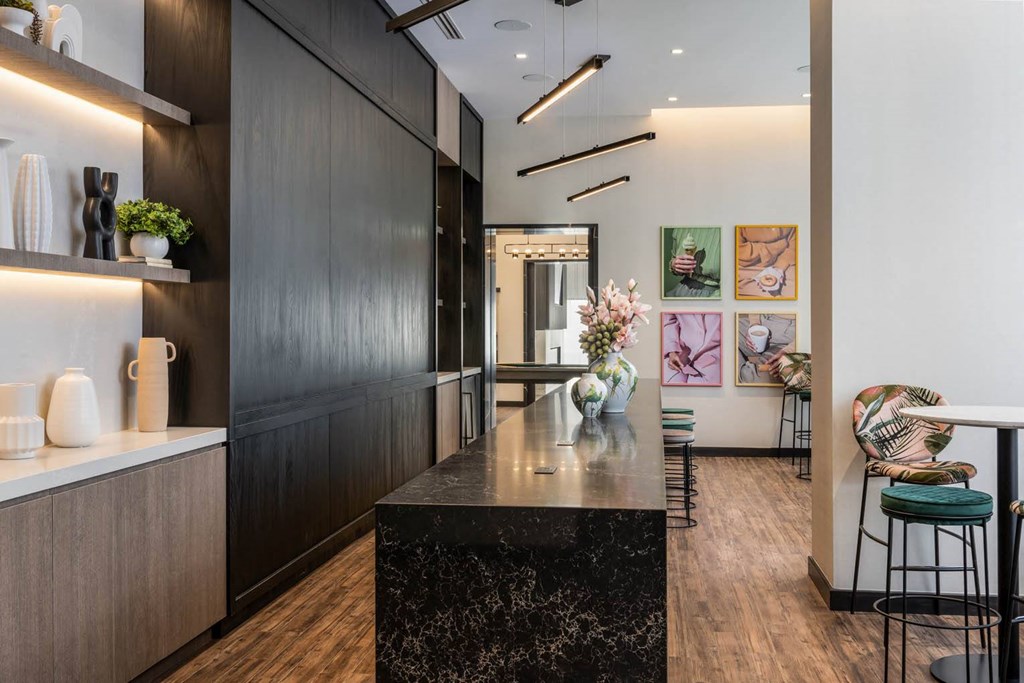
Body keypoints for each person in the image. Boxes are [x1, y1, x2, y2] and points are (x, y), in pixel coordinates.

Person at [663, 313, 721, 385]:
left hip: (715, 351)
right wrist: (671, 350)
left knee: (700, 390)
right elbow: (668, 321)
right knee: (670, 385)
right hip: (679, 348)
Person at [737, 314, 795, 384]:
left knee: (758, 381)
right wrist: (754, 325)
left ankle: (742, 376)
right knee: (723, 328)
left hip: (789, 340)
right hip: (762, 319)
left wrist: (789, 351)